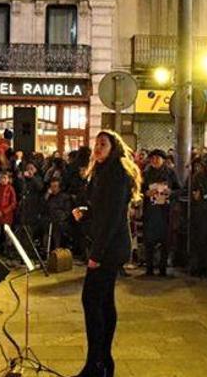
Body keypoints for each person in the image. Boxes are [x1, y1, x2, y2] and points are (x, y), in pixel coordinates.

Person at [70, 130, 140, 377]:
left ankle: (95, 364)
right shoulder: (102, 171)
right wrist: (86, 212)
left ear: (114, 147)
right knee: (104, 301)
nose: (97, 148)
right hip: (107, 245)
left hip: (109, 248)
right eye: (96, 144)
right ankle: (103, 362)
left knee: (91, 301)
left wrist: (96, 255)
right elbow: (102, 209)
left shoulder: (116, 173)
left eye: (103, 144)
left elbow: (111, 218)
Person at [141, 149, 178, 276]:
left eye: (157, 158)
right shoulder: (145, 173)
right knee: (149, 240)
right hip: (150, 210)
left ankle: (163, 267)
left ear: (163, 160)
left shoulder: (170, 173)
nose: (154, 161)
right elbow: (139, 189)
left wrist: (171, 193)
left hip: (165, 210)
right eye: (152, 158)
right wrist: (146, 193)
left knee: (165, 240)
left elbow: (179, 189)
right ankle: (149, 267)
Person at [44, 178, 73, 251]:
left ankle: (57, 250)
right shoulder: (49, 197)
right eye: (52, 187)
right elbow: (43, 207)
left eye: (55, 186)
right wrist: (47, 195)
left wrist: (59, 217)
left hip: (60, 222)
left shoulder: (65, 197)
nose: (53, 189)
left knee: (57, 230)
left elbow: (67, 212)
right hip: (49, 220)